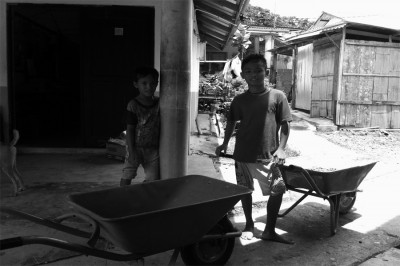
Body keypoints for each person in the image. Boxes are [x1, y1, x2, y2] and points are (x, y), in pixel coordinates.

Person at [215, 54, 293, 244]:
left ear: (265, 72)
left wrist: (281, 148)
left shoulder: (278, 96)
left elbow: (285, 124)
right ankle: (249, 224)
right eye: (248, 71)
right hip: (242, 155)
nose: (253, 75)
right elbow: (231, 121)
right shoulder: (240, 100)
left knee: (277, 190)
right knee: (245, 191)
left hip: (268, 156)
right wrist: (225, 144)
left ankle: (269, 230)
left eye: (258, 70)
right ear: (243, 75)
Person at [120, 67, 161, 186]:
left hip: (153, 149)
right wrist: (131, 151)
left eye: (153, 83)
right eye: (144, 83)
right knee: (128, 174)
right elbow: (130, 129)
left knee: (153, 178)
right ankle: (122, 197)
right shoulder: (133, 105)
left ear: (157, 84)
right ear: (135, 84)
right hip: (135, 147)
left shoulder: (160, 102)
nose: (149, 87)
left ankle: (142, 194)